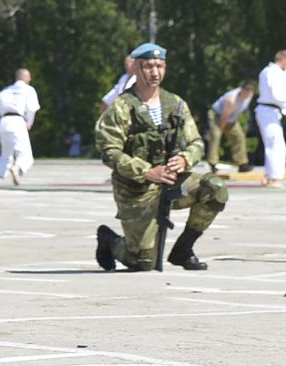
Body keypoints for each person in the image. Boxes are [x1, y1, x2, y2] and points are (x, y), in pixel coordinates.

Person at [93, 42, 229, 272]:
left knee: (214, 188)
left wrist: (185, 159)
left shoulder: (175, 104)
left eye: (160, 66)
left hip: (171, 182)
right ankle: (110, 241)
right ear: (135, 68)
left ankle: (183, 249)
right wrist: (146, 171)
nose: (155, 72)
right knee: (144, 262)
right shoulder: (121, 107)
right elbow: (109, 151)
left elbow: (196, 142)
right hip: (137, 189)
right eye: (148, 66)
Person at [255, 50, 286, 187]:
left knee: (272, 144)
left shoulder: (279, 73)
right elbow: (278, 94)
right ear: (284, 60)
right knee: (276, 145)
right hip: (268, 110)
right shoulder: (271, 72)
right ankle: (274, 178)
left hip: (271, 111)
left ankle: (269, 177)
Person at [0, 69, 40, 187]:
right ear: (26, 77)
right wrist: (29, 122)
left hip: (3, 122)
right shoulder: (29, 90)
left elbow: (0, 109)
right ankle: (17, 168)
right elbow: (32, 109)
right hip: (18, 122)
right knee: (25, 153)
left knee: (5, 153)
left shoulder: (4, 92)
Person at [205, 81, 255, 171]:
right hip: (218, 116)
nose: (248, 94)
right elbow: (224, 117)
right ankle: (213, 163)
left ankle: (242, 163)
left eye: (250, 92)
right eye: (246, 91)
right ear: (241, 90)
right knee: (216, 136)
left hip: (232, 119)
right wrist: (222, 130)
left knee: (239, 136)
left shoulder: (249, 97)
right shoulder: (231, 99)